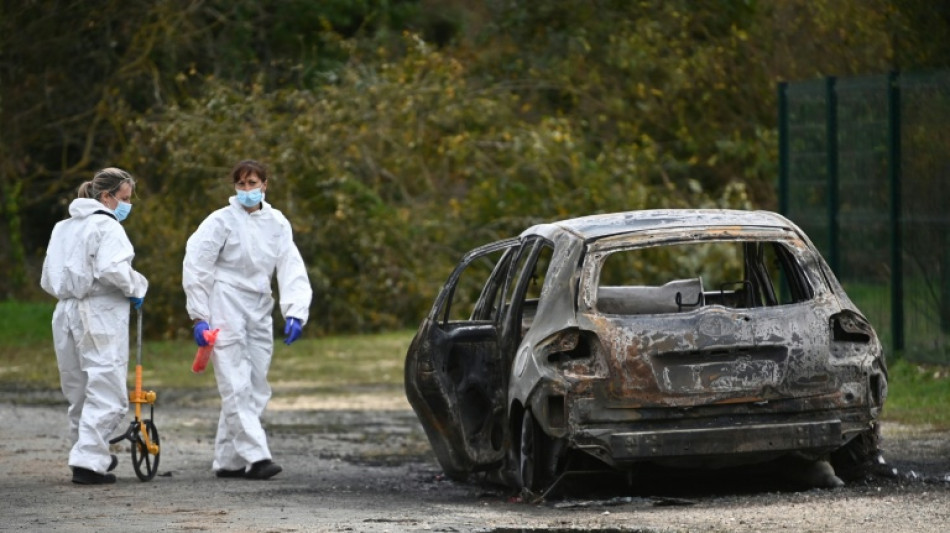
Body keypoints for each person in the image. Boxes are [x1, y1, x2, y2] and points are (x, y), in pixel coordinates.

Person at [182, 159, 312, 480]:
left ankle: (228, 461)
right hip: (225, 300)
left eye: (252, 183)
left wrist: (295, 311)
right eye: (241, 184)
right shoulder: (220, 221)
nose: (246, 189)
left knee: (256, 384)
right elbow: (197, 265)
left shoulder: (277, 222)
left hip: (259, 304)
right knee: (234, 380)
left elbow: (290, 265)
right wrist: (199, 316)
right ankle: (257, 456)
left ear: (265, 185)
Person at [40, 167, 149, 485]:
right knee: (107, 390)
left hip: (65, 312)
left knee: (79, 390)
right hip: (99, 313)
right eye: (125, 198)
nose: (128, 205)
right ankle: (88, 461)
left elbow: (47, 277)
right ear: (106, 196)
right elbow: (112, 269)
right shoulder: (108, 226)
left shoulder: (63, 227)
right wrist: (137, 286)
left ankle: (89, 453)